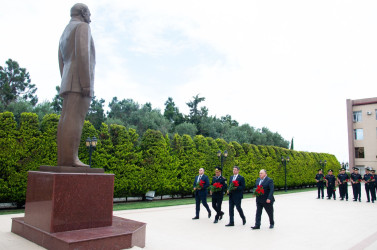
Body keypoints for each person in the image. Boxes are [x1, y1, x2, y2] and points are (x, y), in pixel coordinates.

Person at [57, 3, 96, 167]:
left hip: (68, 79)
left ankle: (65, 158)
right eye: (89, 14)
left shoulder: (65, 31)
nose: (90, 18)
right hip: (79, 80)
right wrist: (86, 84)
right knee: (75, 119)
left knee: (66, 118)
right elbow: (83, 54)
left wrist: (65, 79)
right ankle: (70, 158)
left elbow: (61, 60)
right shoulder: (82, 27)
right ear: (84, 13)